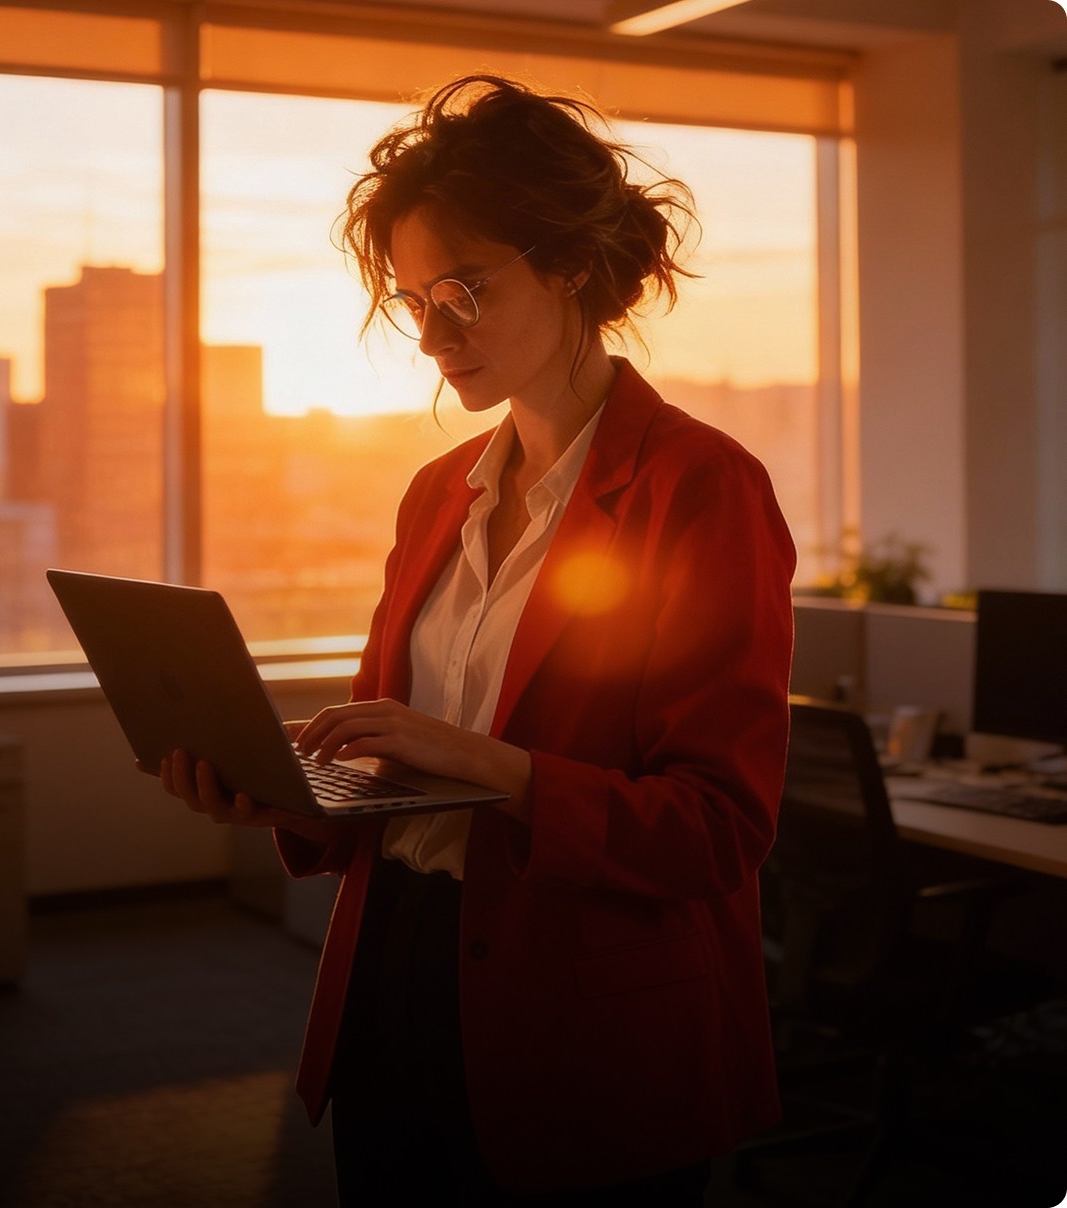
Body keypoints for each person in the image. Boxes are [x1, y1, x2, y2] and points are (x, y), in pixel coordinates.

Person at [159, 74, 796, 1207]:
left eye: (463, 287)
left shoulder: (700, 487)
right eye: (412, 297)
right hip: (393, 976)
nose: (431, 333)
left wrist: (491, 769)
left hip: (585, 1014)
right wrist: (282, 793)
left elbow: (716, 832)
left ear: (572, 266)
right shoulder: (434, 493)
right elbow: (381, 762)